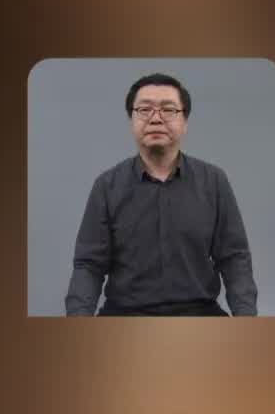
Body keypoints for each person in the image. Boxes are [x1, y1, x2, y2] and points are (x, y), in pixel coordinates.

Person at [64, 73, 257, 316]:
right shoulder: (107, 186)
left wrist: (247, 319)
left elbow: (234, 259)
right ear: (131, 121)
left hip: (199, 315)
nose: (156, 118)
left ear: (185, 122)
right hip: (124, 317)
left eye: (168, 110)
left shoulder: (214, 182)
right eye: (144, 109)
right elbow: (89, 266)